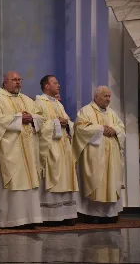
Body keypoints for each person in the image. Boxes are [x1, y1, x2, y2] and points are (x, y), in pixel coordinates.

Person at [0, 71, 43, 229]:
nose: (18, 82)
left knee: (28, 182)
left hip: (27, 148)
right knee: (12, 182)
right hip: (9, 149)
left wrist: (32, 118)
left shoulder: (27, 100)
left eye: (20, 79)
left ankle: (29, 218)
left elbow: (40, 117)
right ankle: (10, 220)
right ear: (5, 82)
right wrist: (19, 118)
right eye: (14, 80)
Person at [73, 86, 125, 224]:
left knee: (111, 181)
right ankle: (91, 214)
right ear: (96, 97)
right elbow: (79, 128)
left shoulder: (112, 113)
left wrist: (114, 130)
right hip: (95, 155)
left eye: (109, 96)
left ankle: (109, 214)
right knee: (95, 180)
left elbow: (121, 127)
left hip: (111, 155)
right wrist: (101, 128)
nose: (108, 99)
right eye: (105, 96)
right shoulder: (85, 111)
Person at [35, 75, 78, 226]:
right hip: (50, 146)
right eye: (55, 83)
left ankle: (66, 214)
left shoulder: (58, 104)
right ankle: (50, 216)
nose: (58, 85)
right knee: (53, 178)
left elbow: (68, 121)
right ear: (46, 86)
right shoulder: (39, 103)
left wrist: (67, 124)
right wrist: (55, 123)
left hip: (63, 145)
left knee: (65, 178)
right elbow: (38, 125)